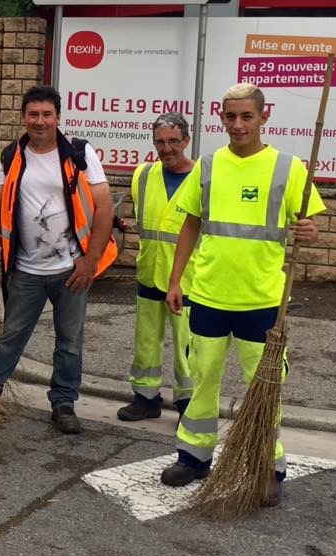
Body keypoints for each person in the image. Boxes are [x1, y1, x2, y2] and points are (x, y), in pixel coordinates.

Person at [160, 84, 323, 502]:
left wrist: (308, 228)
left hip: (262, 300)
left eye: (246, 117)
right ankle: (194, 457)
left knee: (264, 387)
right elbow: (191, 223)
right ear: (221, 117)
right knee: (202, 380)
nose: (237, 125)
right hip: (210, 296)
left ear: (263, 118)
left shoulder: (288, 169)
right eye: (230, 117)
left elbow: (307, 224)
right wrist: (177, 280)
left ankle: (267, 465)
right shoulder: (210, 166)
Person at [0, 85, 117, 435]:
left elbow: (105, 207)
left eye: (46, 114)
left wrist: (90, 261)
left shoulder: (79, 153)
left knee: (70, 341)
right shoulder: (10, 156)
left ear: (58, 118)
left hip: (71, 269)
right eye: (33, 115)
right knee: (12, 335)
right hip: (25, 268)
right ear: (23, 117)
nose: (39, 121)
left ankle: (63, 403)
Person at [117, 112, 196, 422]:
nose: (167, 148)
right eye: (161, 142)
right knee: (146, 340)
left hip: (189, 279)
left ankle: (190, 405)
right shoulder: (144, 175)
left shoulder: (201, 176)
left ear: (186, 141)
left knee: (187, 346)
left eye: (174, 141)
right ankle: (146, 397)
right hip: (149, 272)